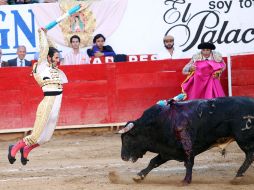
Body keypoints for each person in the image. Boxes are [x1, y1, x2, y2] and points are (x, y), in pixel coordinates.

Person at [8, 28, 68, 165]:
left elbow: (54, 48)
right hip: (47, 103)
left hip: (56, 106)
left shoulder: (54, 69)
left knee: (45, 138)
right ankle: (15, 147)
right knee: (35, 135)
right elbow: (45, 49)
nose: (58, 60)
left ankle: (26, 150)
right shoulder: (41, 67)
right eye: (56, 58)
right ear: (48, 57)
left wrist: (48, 35)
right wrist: (42, 34)